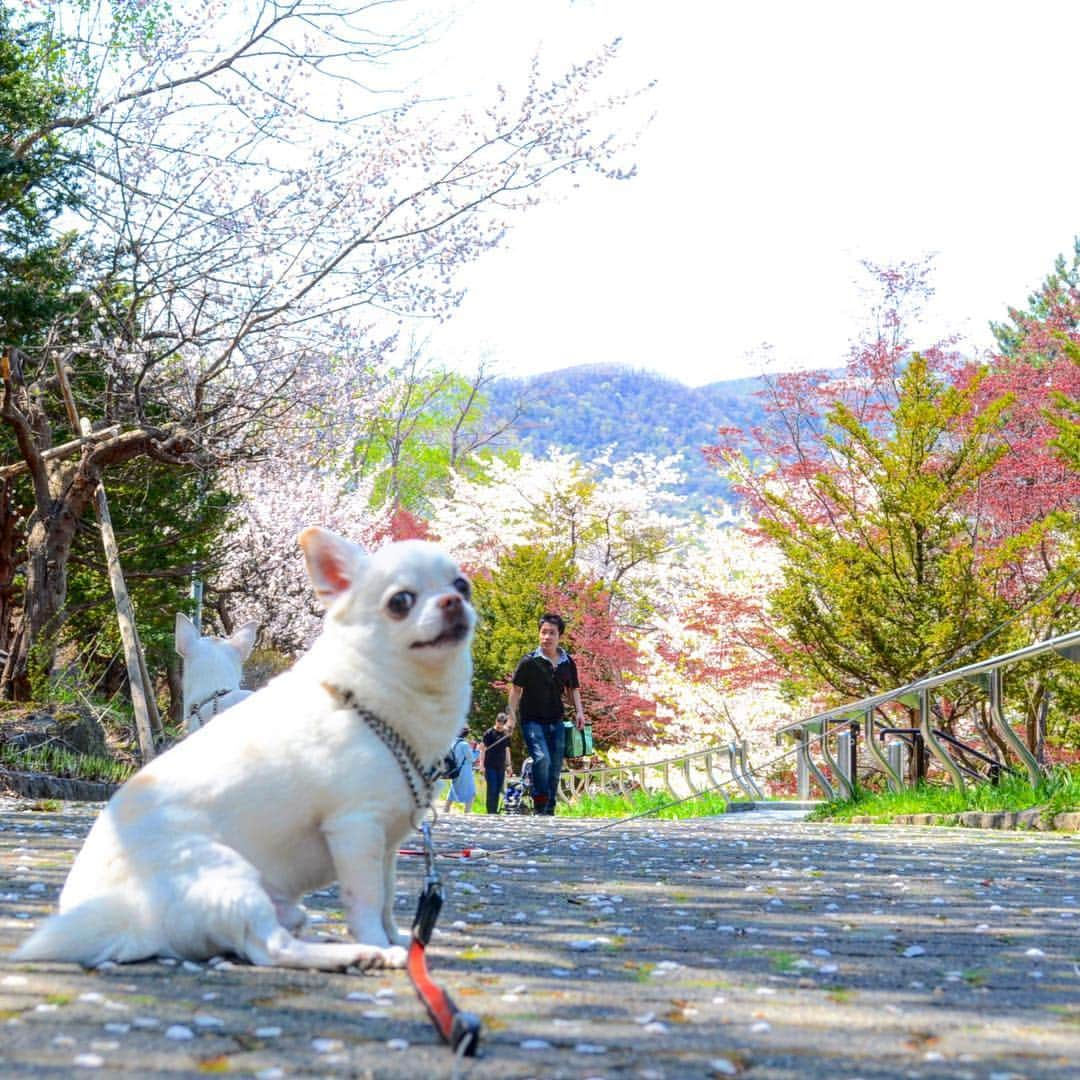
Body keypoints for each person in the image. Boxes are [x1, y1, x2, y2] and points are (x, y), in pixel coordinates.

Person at [508, 612, 585, 815]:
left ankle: (548, 808)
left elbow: (573, 689)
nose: (547, 637)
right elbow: (516, 689)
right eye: (543, 632)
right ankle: (540, 800)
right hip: (531, 720)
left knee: (555, 767)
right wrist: (511, 716)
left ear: (559, 636)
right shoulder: (529, 661)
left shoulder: (568, 662)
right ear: (538, 634)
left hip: (556, 720)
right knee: (542, 759)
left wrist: (579, 712)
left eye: (552, 633)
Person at [480, 712, 514, 813]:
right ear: (496, 720)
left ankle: (494, 811)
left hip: (501, 766)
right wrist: (481, 765)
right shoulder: (489, 733)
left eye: (502, 722)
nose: (500, 724)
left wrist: (509, 765)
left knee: (498, 789)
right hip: (490, 765)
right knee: (492, 789)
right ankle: (491, 811)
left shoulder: (505, 734)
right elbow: (482, 750)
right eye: (498, 721)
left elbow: (507, 750)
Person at [442, 727, 478, 814]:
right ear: (466, 735)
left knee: (453, 791)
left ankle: (445, 811)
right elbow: (471, 759)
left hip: (454, 770)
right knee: (471, 793)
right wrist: (477, 751)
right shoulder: (464, 745)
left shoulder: (453, 742)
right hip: (464, 772)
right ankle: (467, 813)